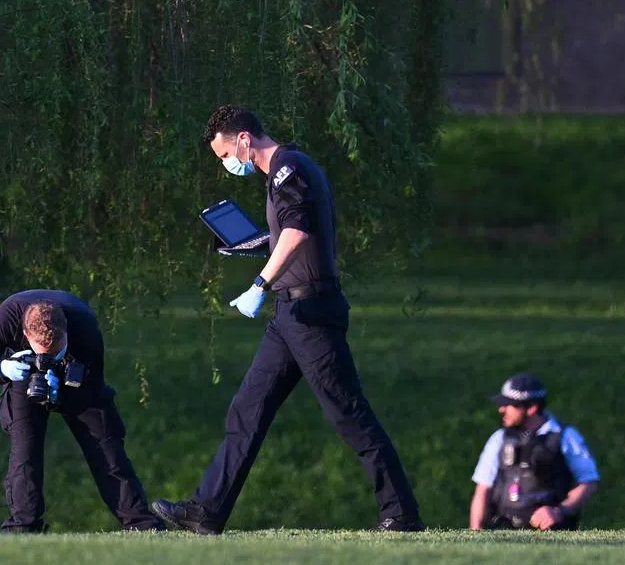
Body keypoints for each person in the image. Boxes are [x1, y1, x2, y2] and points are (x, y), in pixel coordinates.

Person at [150, 105, 424, 534]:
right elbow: (289, 235)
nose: (226, 166)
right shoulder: (283, 172)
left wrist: (259, 284)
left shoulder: (287, 168)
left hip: (312, 312)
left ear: (244, 139)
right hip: (289, 315)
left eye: (224, 155)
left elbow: (298, 233)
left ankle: (401, 514)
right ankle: (207, 511)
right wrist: (261, 246)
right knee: (247, 410)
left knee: (349, 413)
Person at [0, 290, 165, 532]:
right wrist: (2, 368)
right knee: (25, 449)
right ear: (25, 334)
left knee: (105, 445)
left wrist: (63, 392)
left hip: (77, 377)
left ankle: (141, 523)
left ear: (66, 330)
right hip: (23, 374)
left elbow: (92, 384)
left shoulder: (85, 327)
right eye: (41, 353)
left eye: (55, 352)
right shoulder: (6, 319)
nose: (47, 358)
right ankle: (23, 527)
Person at [469, 373, 600, 531]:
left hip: (551, 531)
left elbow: (588, 481)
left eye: (510, 405)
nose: (501, 410)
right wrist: (476, 531)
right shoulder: (499, 438)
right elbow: (483, 489)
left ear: (531, 408)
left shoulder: (566, 436)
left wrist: (560, 511)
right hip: (504, 529)